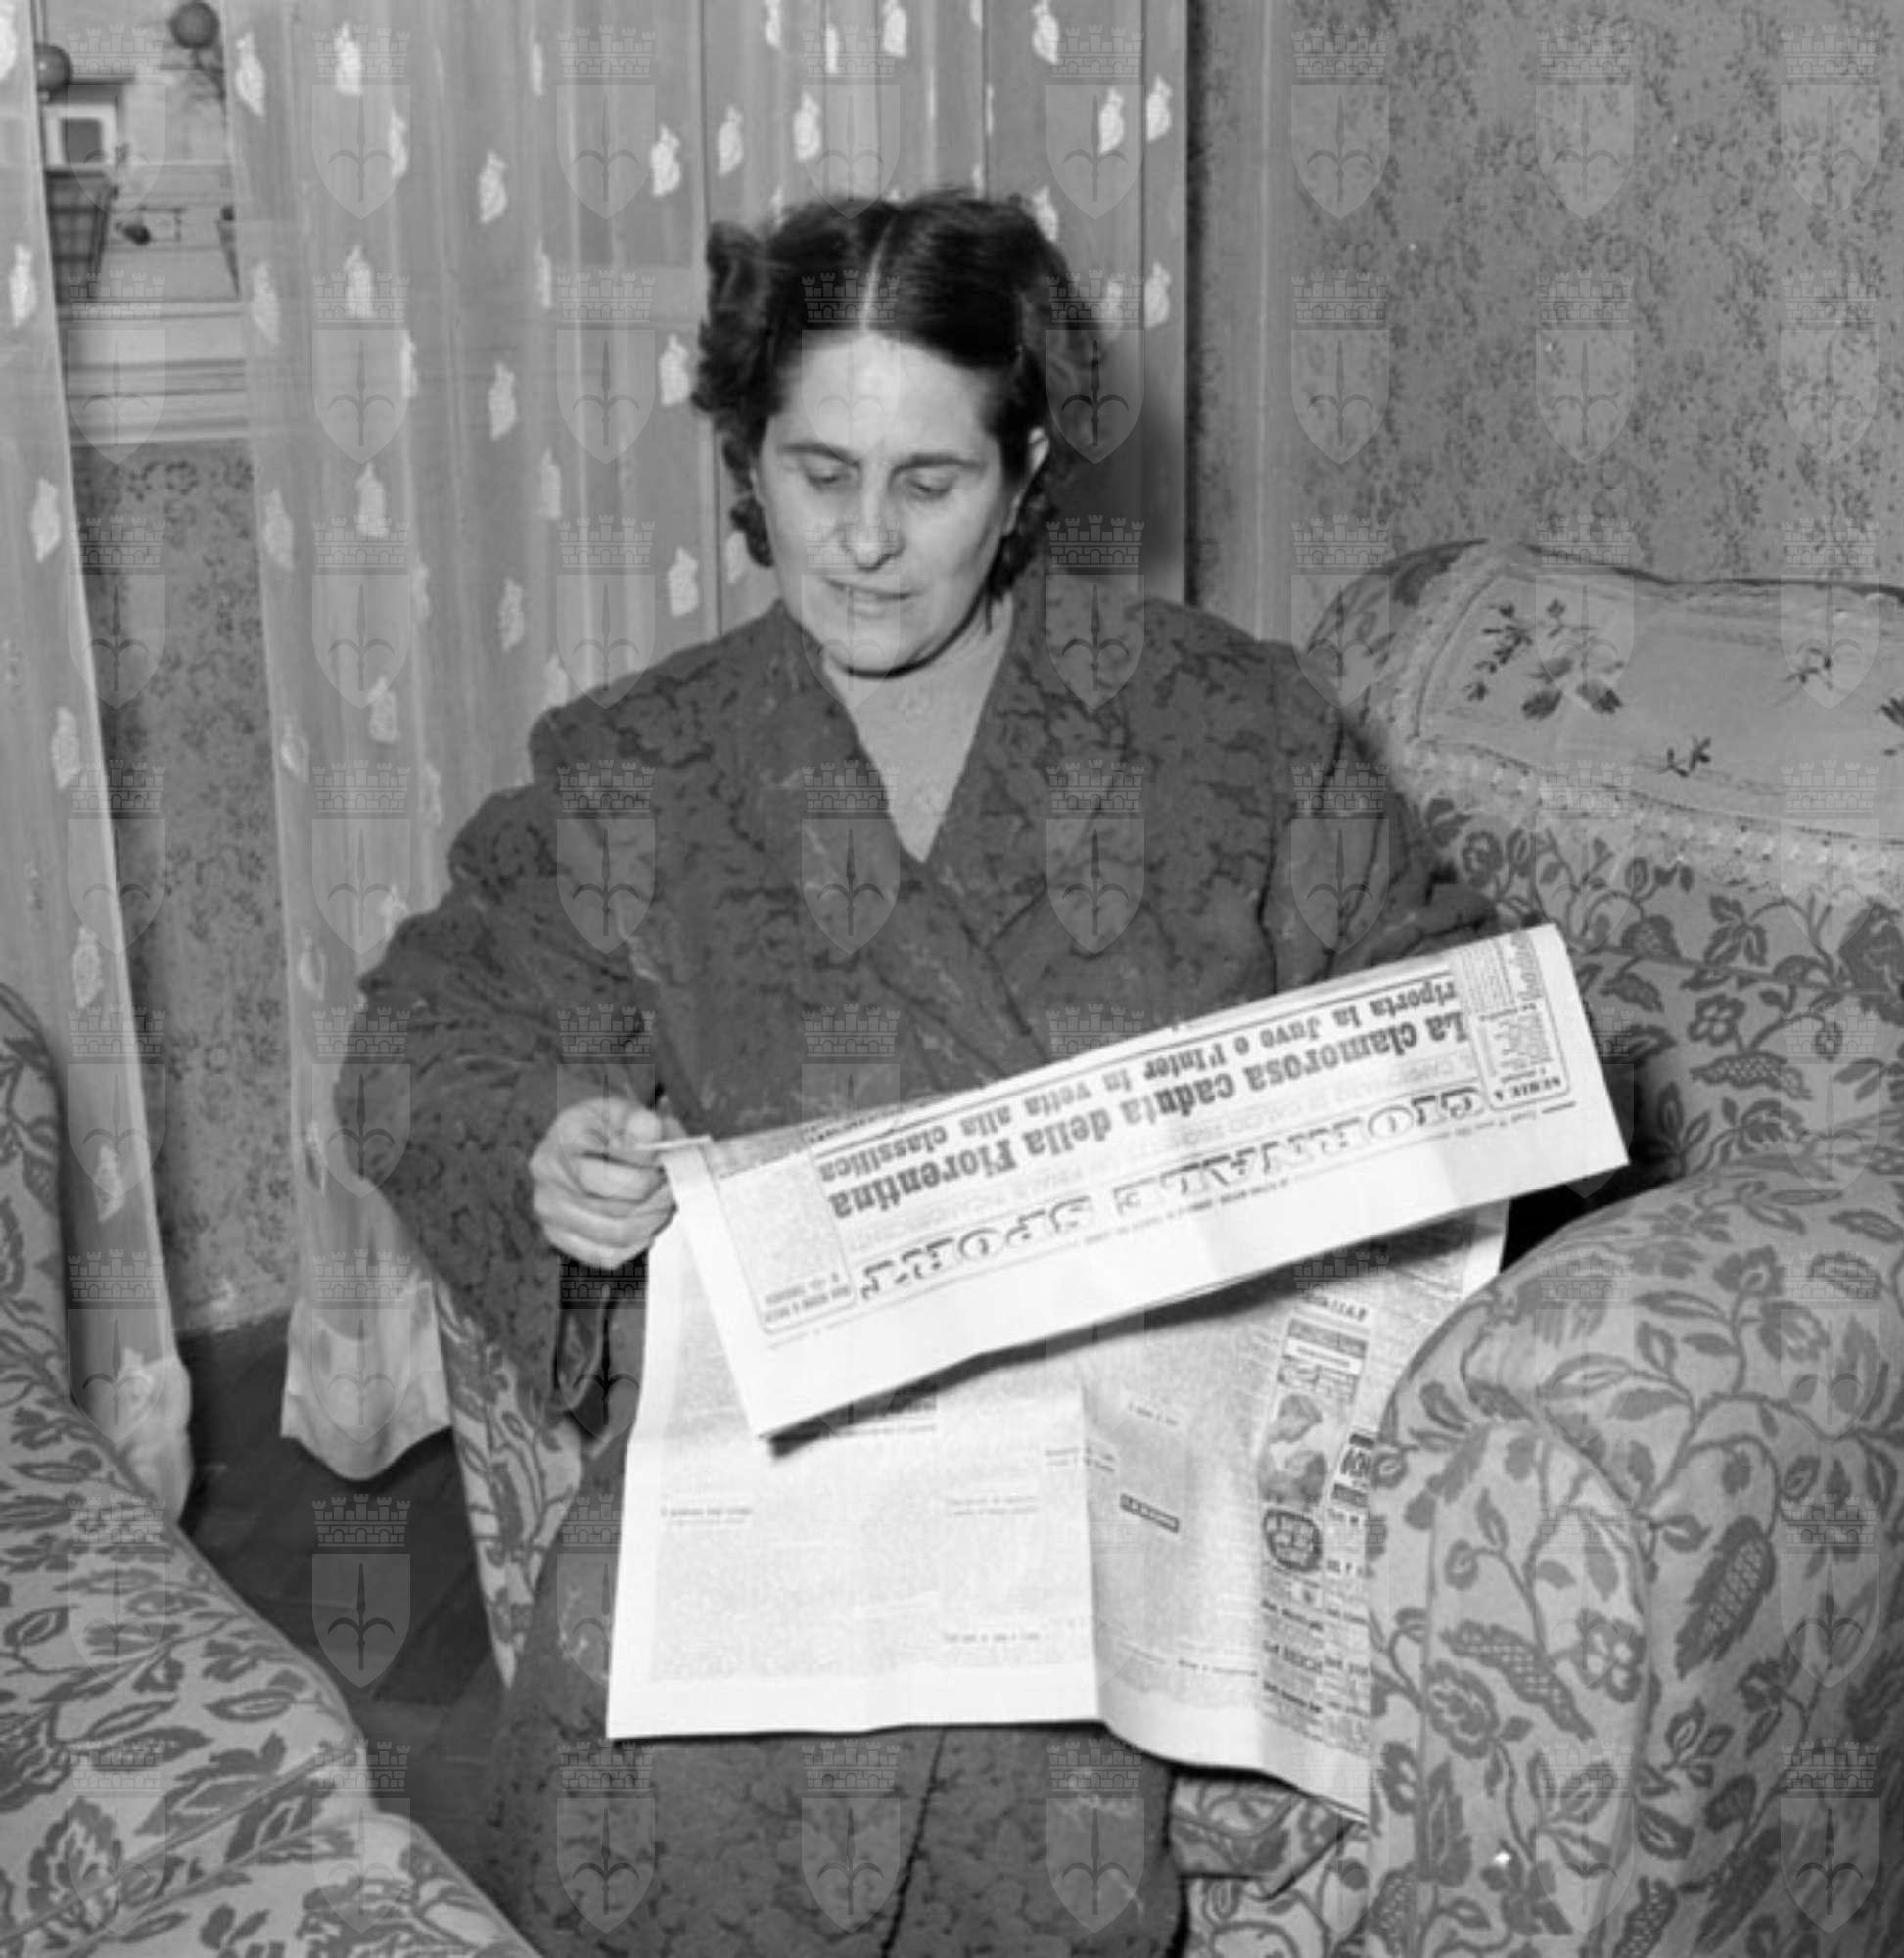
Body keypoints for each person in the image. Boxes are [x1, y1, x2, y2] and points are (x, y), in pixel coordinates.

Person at [344, 187, 1496, 1955]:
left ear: (1024, 473)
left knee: (1018, 1782)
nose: (866, 543)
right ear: (748, 457)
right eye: (818, 473)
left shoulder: (1230, 727)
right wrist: (541, 1146)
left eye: (930, 482)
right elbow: (419, 1040)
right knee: (642, 1797)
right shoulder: (646, 765)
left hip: (1107, 1469)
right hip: (780, 1470)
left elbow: (1442, 997)